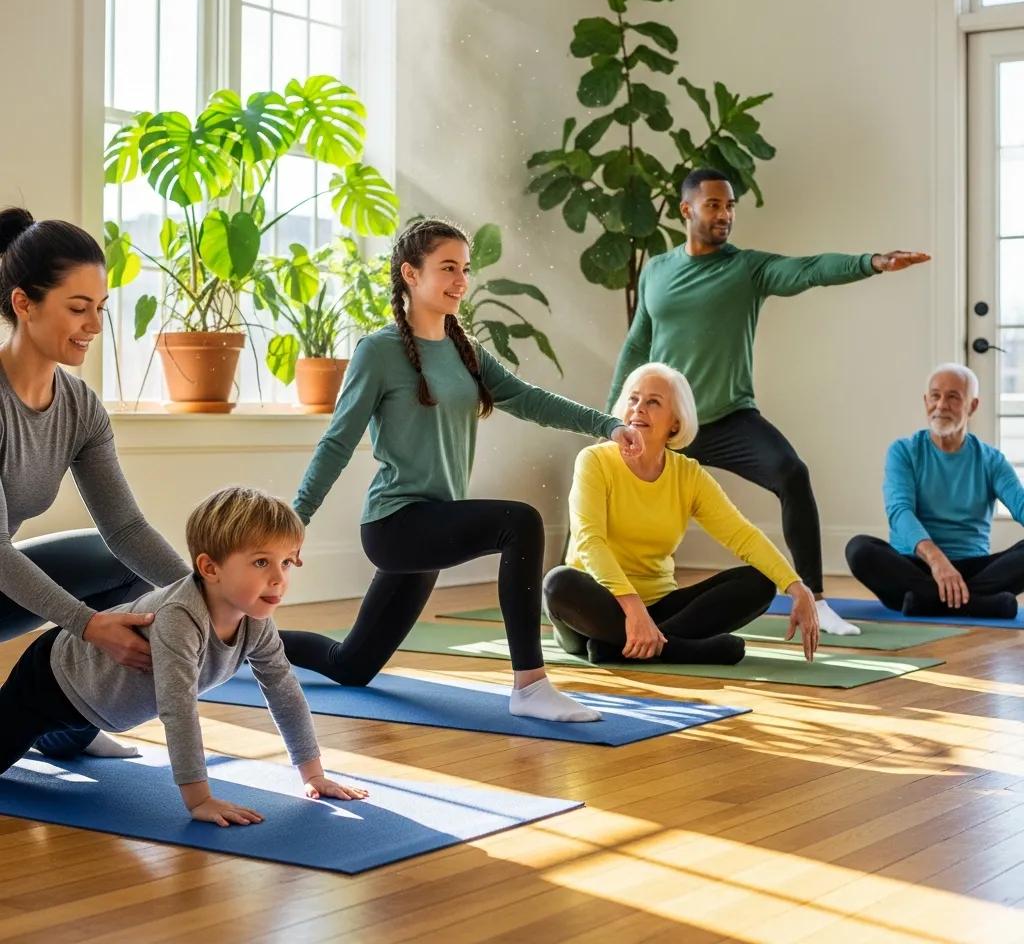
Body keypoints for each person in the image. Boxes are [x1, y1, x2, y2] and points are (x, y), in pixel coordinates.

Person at [280, 218, 645, 723]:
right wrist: (295, 519)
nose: (461, 280)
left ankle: (236, 638)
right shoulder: (378, 352)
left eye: (465, 269)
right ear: (411, 273)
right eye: (447, 267)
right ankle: (530, 685)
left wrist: (607, 425)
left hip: (431, 523)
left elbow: (532, 400)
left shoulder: (466, 351)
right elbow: (338, 442)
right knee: (519, 522)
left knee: (352, 665)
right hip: (394, 524)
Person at [608, 168, 931, 637]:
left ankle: (817, 602)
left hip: (730, 419)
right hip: (666, 424)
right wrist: (612, 416)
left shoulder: (747, 268)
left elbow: (808, 270)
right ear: (687, 210)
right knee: (609, 487)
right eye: (714, 204)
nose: (725, 214)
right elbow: (638, 345)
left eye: (731, 205)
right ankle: (591, 591)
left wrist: (873, 261)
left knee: (792, 474)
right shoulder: (656, 271)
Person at [0, 486, 368, 826]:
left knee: (63, 745)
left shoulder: (255, 620)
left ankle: (62, 736)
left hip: (96, 710)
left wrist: (313, 774)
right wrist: (199, 800)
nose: (279, 578)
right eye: (261, 562)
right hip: (50, 683)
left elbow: (284, 692)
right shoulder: (181, 618)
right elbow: (177, 709)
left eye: (286, 562)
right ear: (210, 568)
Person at [0, 207, 193, 760]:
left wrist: (205, 598)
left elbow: (126, 528)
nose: (94, 324)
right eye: (78, 308)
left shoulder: (80, 406)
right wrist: (88, 626)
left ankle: (67, 727)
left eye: (100, 309)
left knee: (120, 567)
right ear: (24, 303)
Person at [544, 363, 820, 665]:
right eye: (633, 399)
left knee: (760, 582)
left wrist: (797, 587)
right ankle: (676, 648)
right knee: (558, 583)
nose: (638, 409)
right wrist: (633, 609)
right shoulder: (594, 461)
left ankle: (627, 648)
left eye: (653, 402)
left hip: (660, 607)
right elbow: (589, 541)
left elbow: (742, 534)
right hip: (596, 609)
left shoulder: (688, 475)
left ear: (675, 423)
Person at [846, 363, 1024, 618]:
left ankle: (928, 602)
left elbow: (1020, 503)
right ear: (925, 400)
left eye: (953, 397)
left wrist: (950, 568)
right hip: (918, 567)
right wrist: (937, 561)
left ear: (972, 405)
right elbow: (900, 512)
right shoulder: (904, 451)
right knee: (859, 549)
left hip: (972, 569)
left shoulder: (991, 460)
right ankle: (979, 604)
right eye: (935, 396)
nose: (941, 405)